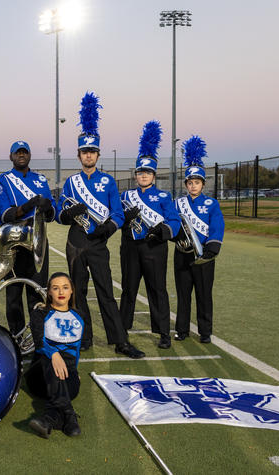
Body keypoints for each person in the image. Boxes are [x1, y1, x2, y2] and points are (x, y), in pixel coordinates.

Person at [56, 92, 144, 359]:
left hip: (98, 244)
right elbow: (60, 215)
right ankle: (84, 339)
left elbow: (119, 213)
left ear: (97, 154)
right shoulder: (71, 182)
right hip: (75, 242)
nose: (88, 155)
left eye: (92, 151)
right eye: (85, 152)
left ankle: (120, 341)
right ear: (79, 154)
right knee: (78, 294)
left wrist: (109, 228)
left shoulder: (108, 181)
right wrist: (69, 213)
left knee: (106, 292)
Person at [119, 121, 181, 349]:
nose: (143, 175)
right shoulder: (126, 196)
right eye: (140, 172)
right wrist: (124, 220)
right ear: (135, 175)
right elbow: (116, 218)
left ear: (154, 175)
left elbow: (174, 221)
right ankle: (122, 331)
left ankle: (163, 332)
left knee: (157, 290)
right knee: (128, 290)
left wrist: (164, 231)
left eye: (147, 172)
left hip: (155, 248)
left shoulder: (164, 197)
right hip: (130, 247)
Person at [0, 140, 55, 337]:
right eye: (17, 153)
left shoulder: (41, 180)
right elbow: (4, 215)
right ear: (11, 157)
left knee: (38, 292)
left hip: (38, 239)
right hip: (15, 242)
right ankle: (16, 337)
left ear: (29, 155)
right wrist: (27, 206)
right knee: (14, 294)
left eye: (25, 152)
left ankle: (37, 339)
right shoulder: (3, 180)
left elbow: (51, 214)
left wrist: (47, 207)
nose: (21, 155)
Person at [173, 135, 225, 344]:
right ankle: (182, 330)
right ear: (186, 184)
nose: (193, 186)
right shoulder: (178, 203)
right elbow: (174, 224)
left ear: (203, 184)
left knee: (204, 295)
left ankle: (205, 332)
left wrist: (212, 247)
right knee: (183, 295)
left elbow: (217, 225)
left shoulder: (212, 204)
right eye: (190, 182)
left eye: (197, 182)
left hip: (204, 256)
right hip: (182, 255)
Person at [27, 272, 83, 438]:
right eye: (55, 288)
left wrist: (75, 372)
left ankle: (51, 418)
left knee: (70, 380)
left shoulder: (80, 317)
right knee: (49, 360)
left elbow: (76, 351)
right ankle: (70, 415)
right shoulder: (39, 314)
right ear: (49, 292)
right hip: (40, 377)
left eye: (65, 288)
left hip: (66, 378)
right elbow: (39, 342)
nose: (61, 292)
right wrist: (54, 355)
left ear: (71, 291)